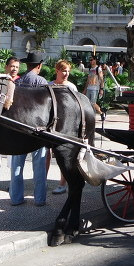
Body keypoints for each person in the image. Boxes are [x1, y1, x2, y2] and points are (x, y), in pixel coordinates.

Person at [10, 51, 50, 207]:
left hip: (18, 127)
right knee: (39, 166)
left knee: (17, 165)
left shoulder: (18, 82)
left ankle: (16, 198)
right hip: (37, 128)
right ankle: (39, 199)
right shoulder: (42, 81)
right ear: (39, 66)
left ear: (27, 65)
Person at [0, 56, 21, 191]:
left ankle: (12, 183)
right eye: (12, 66)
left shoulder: (20, 82)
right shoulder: (0, 80)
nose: (14, 69)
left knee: (14, 156)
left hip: (14, 122)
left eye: (16, 67)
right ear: (6, 67)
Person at [47, 59, 78, 195]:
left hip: (66, 124)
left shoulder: (71, 87)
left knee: (63, 154)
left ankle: (62, 183)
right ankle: (43, 181)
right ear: (57, 71)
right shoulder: (49, 85)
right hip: (50, 124)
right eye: (64, 71)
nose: (66, 74)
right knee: (46, 153)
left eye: (68, 71)